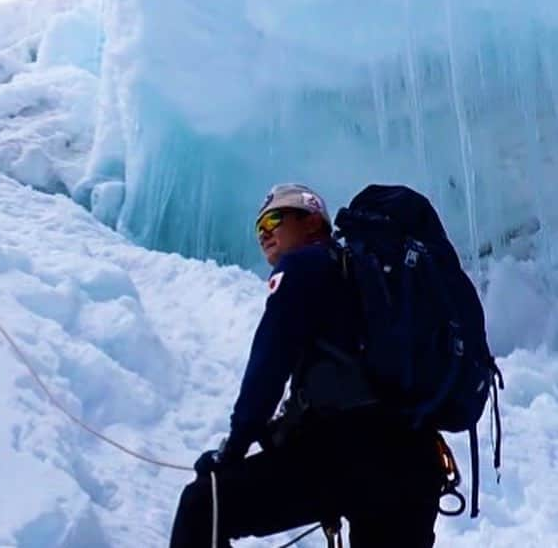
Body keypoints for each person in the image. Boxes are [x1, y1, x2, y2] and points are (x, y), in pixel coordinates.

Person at [169, 184, 445, 548]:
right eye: (258, 228)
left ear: (313, 221)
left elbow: (269, 366)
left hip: (346, 452)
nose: (264, 232)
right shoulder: (367, 276)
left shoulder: (302, 266)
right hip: (415, 459)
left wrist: (232, 450)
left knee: (203, 505)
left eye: (274, 219)